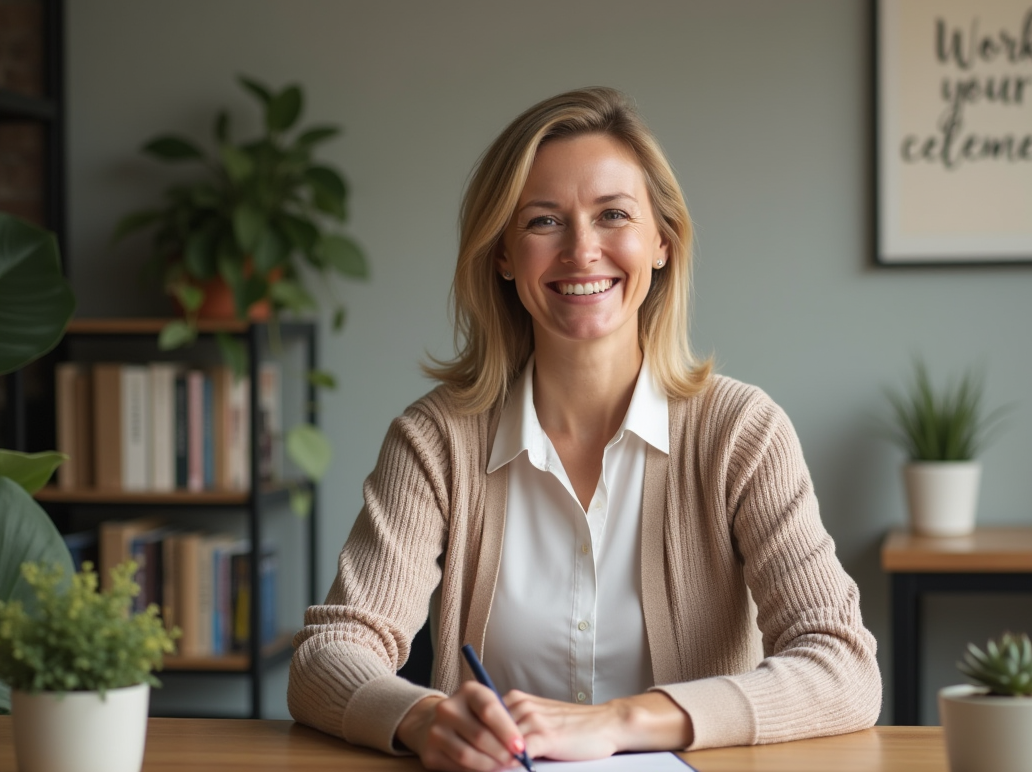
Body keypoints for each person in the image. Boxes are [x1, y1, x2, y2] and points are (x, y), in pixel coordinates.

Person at [288, 87, 881, 771]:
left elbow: (843, 665)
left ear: (662, 241)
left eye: (613, 215)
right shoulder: (435, 441)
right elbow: (327, 657)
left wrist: (619, 722)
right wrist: (425, 718)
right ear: (504, 254)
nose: (582, 250)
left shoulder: (741, 434)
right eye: (544, 222)